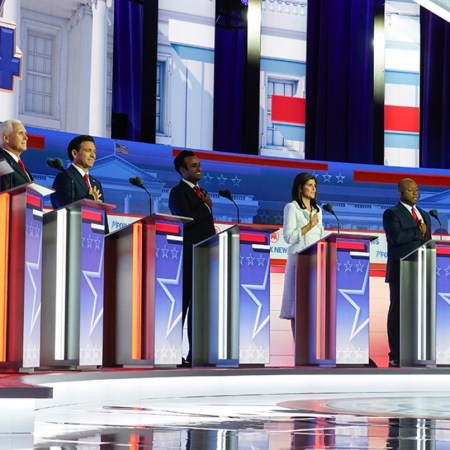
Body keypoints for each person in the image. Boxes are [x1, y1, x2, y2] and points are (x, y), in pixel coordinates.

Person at [168, 150, 215, 366]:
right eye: (194, 165)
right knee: (182, 306)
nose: (199, 168)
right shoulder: (177, 192)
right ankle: (170, 353)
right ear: (182, 170)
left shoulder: (202, 192)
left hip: (205, 256)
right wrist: (206, 207)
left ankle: (196, 354)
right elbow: (185, 219)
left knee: (200, 308)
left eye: (199, 164)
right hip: (187, 257)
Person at [383, 178, 431, 367]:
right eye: (410, 190)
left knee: (420, 312)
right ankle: (396, 354)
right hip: (400, 269)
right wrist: (418, 232)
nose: (415, 193)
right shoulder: (391, 213)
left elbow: (428, 242)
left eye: (417, 190)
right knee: (398, 311)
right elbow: (396, 238)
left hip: (422, 269)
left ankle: (417, 353)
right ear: (401, 193)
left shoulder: (424, 215)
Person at [280, 172, 324, 338]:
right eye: (310, 185)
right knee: (297, 305)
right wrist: (309, 226)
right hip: (298, 260)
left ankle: (312, 344)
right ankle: (299, 345)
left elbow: (320, 236)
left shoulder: (318, 210)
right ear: (300, 188)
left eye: (315, 186)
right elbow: (288, 237)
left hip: (315, 262)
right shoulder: (292, 207)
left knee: (313, 304)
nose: (313, 189)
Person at [50, 134, 104, 209]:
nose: (93, 155)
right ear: (74, 153)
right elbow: (64, 207)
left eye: (94, 151)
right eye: (88, 150)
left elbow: (102, 212)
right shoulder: (64, 177)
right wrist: (91, 199)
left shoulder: (96, 184)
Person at [0, 119, 33, 191]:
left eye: (25, 133)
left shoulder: (18, 164)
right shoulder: (1, 161)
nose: (26, 137)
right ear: (6, 138)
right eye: (20, 133)